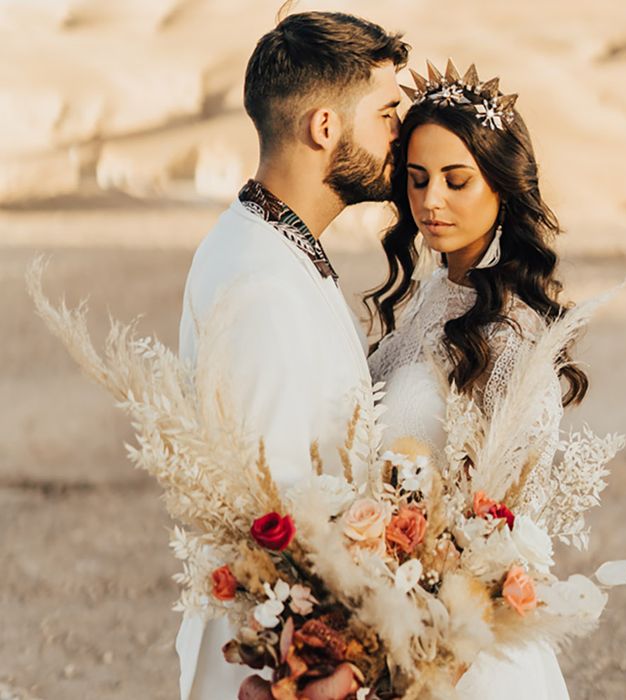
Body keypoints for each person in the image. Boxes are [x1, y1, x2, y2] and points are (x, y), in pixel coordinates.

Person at [175, 12, 408, 699]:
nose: (400, 133)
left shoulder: (276, 245)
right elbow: (267, 514)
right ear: (325, 127)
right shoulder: (259, 281)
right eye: (387, 113)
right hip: (277, 670)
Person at [367, 60, 584, 698]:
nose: (431, 201)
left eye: (457, 181)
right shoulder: (436, 289)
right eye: (417, 179)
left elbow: (499, 524)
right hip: (395, 609)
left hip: (458, 645)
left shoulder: (511, 334)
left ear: (502, 186)